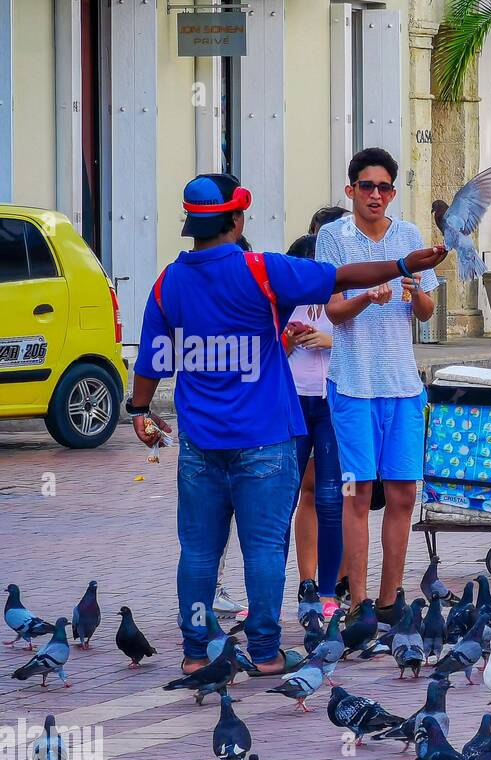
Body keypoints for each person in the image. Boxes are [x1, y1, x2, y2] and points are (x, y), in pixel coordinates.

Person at [129, 173, 446, 675]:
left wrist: (140, 411)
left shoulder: (168, 283)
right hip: (264, 440)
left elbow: (150, 360)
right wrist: (405, 264)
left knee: (197, 551)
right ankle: (265, 652)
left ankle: (194, 653)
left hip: (199, 444)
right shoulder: (261, 271)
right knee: (263, 548)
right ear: (237, 218)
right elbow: (340, 277)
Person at [315, 148, 441, 627]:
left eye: (383, 187)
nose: (374, 195)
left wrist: (416, 291)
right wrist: (367, 295)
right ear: (350, 191)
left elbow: (427, 314)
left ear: (392, 192)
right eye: (365, 186)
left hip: (403, 384)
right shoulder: (333, 237)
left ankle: (390, 601)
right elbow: (332, 312)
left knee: (404, 493)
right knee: (357, 492)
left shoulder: (409, 236)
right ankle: (357, 602)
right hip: (351, 382)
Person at [284, 205, 348, 619]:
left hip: (332, 402)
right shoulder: (283, 304)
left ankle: (331, 588)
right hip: (292, 403)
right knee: (289, 495)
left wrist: (329, 340)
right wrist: (287, 340)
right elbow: (265, 351)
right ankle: (303, 584)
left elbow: (370, 348)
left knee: (332, 497)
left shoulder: (343, 303)